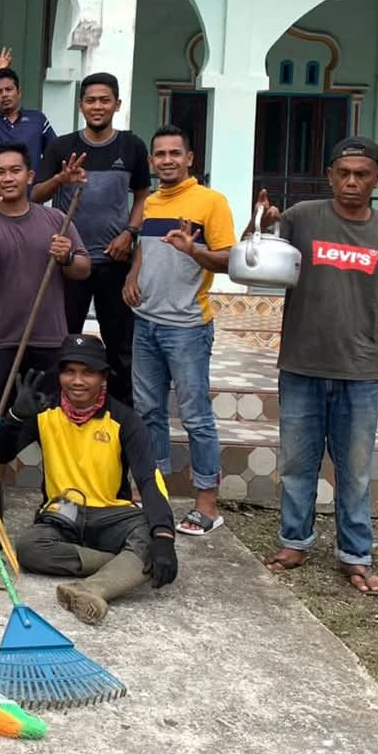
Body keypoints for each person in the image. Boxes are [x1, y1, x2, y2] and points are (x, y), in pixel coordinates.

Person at [253, 136, 378, 596]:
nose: (351, 182)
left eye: (362, 175)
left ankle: (355, 555)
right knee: (297, 463)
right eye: (343, 173)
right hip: (301, 366)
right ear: (330, 174)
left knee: (354, 469)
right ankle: (295, 541)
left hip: (360, 372)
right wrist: (264, 224)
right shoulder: (301, 218)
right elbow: (258, 258)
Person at [0, 335, 178, 625]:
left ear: (103, 377)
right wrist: (15, 416)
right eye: (69, 372)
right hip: (63, 515)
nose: (77, 381)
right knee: (28, 546)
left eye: (88, 372)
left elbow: (149, 479)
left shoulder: (124, 419)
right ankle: (125, 566)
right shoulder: (44, 412)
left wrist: (164, 536)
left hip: (111, 513)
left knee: (148, 531)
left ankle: (92, 590)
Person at [123, 125, 236, 536]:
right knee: (148, 413)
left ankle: (207, 503)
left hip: (187, 327)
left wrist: (195, 250)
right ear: (151, 162)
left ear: (190, 159)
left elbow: (228, 260)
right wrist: (131, 276)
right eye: (160, 154)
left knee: (196, 417)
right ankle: (154, 494)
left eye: (175, 153)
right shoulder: (151, 203)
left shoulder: (211, 202)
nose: (167, 160)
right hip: (146, 323)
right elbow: (144, 249)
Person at [33, 72, 151, 405]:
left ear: (117, 104)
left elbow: (143, 196)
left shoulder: (131, 146)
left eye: (104, 100)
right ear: (80, 104)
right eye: (90, 100)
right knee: (64, 341)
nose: (97, 106)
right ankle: (60, 409)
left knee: (119, 347)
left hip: (114, 262)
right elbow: (36, 196)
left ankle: (118, 414)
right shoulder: (62, 147)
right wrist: (61, 178)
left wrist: (130, 232)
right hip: (68, 263)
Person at [0, 142, 91, 424]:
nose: (8, 178)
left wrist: (66, 256)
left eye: (15, 170)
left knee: (51, 431)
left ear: (29, 176)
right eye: (0, 172)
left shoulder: (55, 218)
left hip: (48, 341)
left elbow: (83, 269)